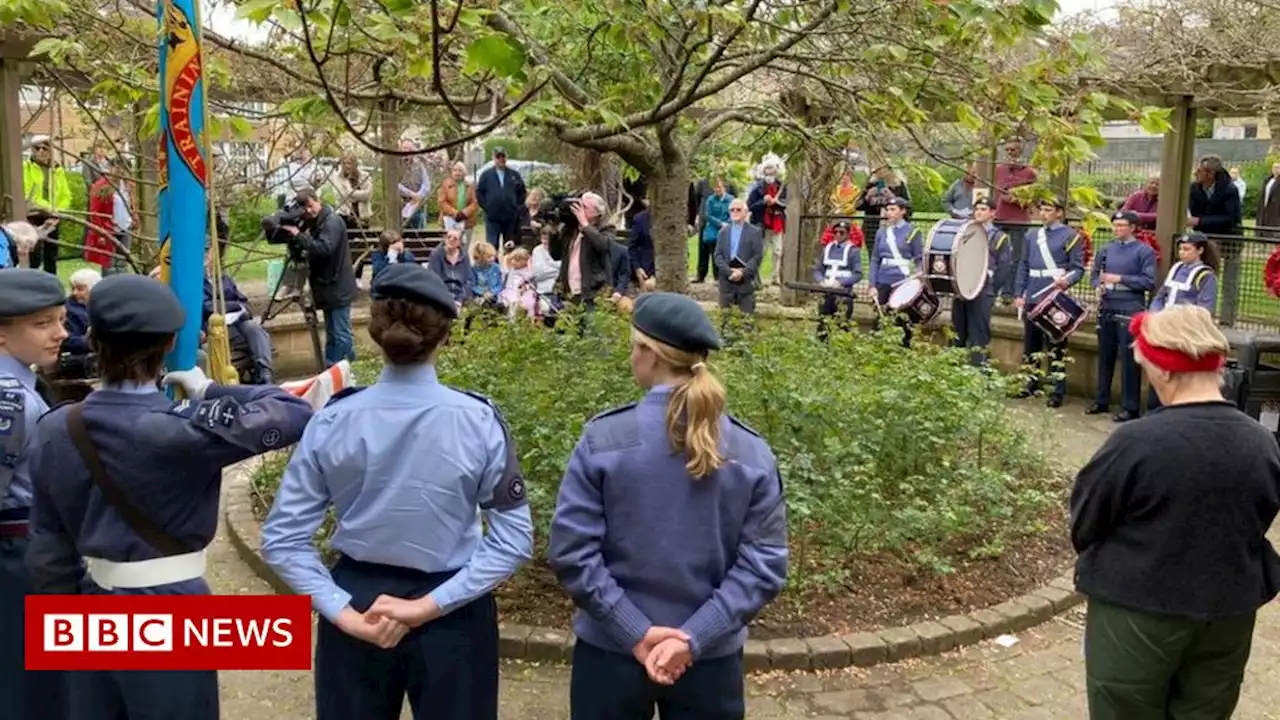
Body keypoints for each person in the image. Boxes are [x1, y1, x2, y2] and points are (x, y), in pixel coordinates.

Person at [23, 273, 312, 720]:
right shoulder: (185, 430)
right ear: (169, 343)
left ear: (94, 340)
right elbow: (293, 411)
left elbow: (48, 548)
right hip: (173, 608)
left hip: (88, 606)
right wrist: (210, 389)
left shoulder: (55, 428)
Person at [261, 263, 534, 720]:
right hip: (453, 610)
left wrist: (342, 613)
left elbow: (283, 540)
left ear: (375, 332)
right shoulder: (478, 422)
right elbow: (513, 540)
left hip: (357, 606)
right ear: (445, 336)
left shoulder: (331, 420)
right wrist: (428, 607)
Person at [549, 292, 787, 720]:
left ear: (648, 353)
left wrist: (634, 632)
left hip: (610, 655)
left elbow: (572, 552)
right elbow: (763, 564)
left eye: (632, 344)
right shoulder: (751, 452)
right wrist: (693, 638)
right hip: (709, 662)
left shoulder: (603, 439)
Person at [1070, 305, 1280, 720]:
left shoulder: (1134, 443)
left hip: (1138, 612)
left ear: (1164, 372)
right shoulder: (1262, 442)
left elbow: (1086, 525)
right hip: (1228, 611)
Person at [0, 268, 68, 720]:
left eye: (61, 320)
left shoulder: (21, 384)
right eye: (42, 324)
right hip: (17, 557)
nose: (60, 334)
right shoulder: (10, 399)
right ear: (3, 334)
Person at [1013, 198, 1085, 408]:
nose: (1043, 213)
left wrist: (1067, 280)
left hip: (1054, 294)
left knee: (1056, 344)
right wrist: (1019, 292)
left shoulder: (1071, 236)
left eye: (1048, 210)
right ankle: (1030, 384)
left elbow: (1078, 268)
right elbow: (1023, 265)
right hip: (1033, 293)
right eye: (1041, 209)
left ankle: (1056, 390)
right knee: (1031, 343)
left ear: (1059, 213)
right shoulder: (1031, 235)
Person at [1087, 211, 1156, 423]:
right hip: (1107, 304)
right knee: (1105, 355)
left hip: (1129, 307)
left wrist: (1120, 278)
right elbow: (1095, 275)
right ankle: (1101, 399)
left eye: (1122, 225)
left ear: (1133, 227)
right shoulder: (1107, 248)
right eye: (1115, 225)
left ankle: (1130, 405)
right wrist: (1098, 285)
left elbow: (1148, 281)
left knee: (1128, 360)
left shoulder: (1144, 251)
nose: (1117, 229)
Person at [1146, 232, 1220, 412]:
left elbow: (1205, 308)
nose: (1182, 253)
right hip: (1165, 328)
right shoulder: (1176, 269)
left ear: (1200, 250)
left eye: (1187, 249)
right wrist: (1154, 314)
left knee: (1178, 373)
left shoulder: (1205, 276)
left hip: (1183, 332)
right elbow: (1161, 295)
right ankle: (1154, 409)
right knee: (1159, 370)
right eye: (1180, 249)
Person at [284, 189, 358, 367]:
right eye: (306, 209)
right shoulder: (316, 222)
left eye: (311, 205)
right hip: (328, 287)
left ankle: (349, 370)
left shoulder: (331, 222)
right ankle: (332, 368)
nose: (310, 211)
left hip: (337, 286)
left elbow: (324, 248)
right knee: (332, 333)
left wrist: (298, 235)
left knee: (341, 333)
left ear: (318, 200)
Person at [202, 246, 275, 384]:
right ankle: (257, 370)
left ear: (213, 253)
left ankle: (264, 373)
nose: (204, 255)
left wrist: (238, 307)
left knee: (254, 329)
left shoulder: (223, 278)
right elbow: (208, 306)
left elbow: (244, 302)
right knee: (257, 338)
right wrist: (235, 305)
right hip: (214, 329)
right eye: (201, 251)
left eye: (207, 251)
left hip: (237, 323)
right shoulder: (193, 281)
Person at [951, 198, 1011, 366]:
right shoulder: (965, 233)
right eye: (977, 209)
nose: (978, 212)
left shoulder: (999, 237)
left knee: (979, 335)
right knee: (957, 332)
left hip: (983, 290)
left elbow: (1004, 268)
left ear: (993, 213)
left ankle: (978, 374)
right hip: (962, 289)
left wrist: (990, 288)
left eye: (983, 209)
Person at [867, 197, 922, 348]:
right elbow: (875, 259)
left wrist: (918, 280)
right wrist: (872, 284)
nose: (889, 213)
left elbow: (919, 259)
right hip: (883, 279)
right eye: (887, 209)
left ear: (903, 211)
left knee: (903, 320)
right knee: (880, 318)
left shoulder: (913, 231)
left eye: (893, 209)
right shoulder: (882, 232)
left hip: (903, 280)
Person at [549, 192, 616, 310]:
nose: (577, 210)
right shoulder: (570, 229)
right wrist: (554, 230)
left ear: (597, 212)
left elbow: (603, 245)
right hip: (568, 291)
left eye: (583, 207)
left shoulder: (606, 228)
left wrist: (585, 224)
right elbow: (556, 255)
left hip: (592, 292)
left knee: (590, 327)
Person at [22, 135, 72, 275]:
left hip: (53, 216)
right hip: (33, 215)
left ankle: (51, 284)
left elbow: (65, 194)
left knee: (51, 255)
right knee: (34, 255)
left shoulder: (57, 169)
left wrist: (58, 211)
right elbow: (27, 193)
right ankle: (32, 283)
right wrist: (48, 208)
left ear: (50, 150)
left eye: (45, 148)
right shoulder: (26, 167)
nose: (41, 151)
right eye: (37, 148)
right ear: (32, 150)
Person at [995, 140, 1038, 299]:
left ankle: (1009, 293)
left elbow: (1034, 196)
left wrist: (1018, 198)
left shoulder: (1029, 172)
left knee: (1016, 258)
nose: (1009, 153)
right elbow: (998, 191)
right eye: (1006, 150)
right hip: (1000, 218)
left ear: (1020, 151)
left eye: (1013, 150)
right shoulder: (999, 170)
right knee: (996, 255)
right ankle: (994, 290)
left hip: (1019, 220)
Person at [812, 220, 862, 342]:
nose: (838, 235)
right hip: (827, 292)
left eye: (842, 232)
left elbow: (858, 274)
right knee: (823, 324)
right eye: (836, 232)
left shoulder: (853, 251)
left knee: (842, 325)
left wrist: (841, 282)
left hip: (843, 294)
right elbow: (818, 269)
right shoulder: (827, 249)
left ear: (848, 234)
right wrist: (821, 281)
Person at [713, 198, 763, 316]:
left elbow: (757, 256)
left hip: (745, 282)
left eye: (738, 209)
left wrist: (743, 272)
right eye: (732, 210)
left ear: (745, 212)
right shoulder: (723, 232)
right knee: (725, 320)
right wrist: (729, 271)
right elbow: (718, 255)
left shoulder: (755, 232)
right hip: (727, 282)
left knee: (747, 321)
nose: (735, 212)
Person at [476, 148, 527, 251]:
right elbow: (479, 192)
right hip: (492, 217)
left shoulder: (514, 175)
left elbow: (522, 192)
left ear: (506, 158)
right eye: (498, 157)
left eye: (502, 157)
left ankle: (509, 266)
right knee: (492, 245)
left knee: (510, 246)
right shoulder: (486, 175)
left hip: (510, 217)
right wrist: (487, 207)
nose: (500, 159)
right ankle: (494, 266)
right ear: (493, 158)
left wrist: (516, 207)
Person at [747, 157, 787, 285]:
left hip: (777, 223)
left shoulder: (781, 186)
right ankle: (756, 278)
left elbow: (787, 202)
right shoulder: (757, 187)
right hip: (762, 224)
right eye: (767, 170)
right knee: (761, 251)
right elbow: (750, 205)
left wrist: (777, 202)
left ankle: (775, 277)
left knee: (778, 251)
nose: (769, 173)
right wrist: (763, 201)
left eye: (772, 170)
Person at [427, 227, 472, 312]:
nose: (451, 240)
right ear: (445, 239)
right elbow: (435, 280)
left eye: (455, 239)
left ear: (459, 242)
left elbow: (468, 281)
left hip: (460, 297)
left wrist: (459, 301)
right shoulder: (436, 254)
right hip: (441, 296)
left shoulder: (464, 256)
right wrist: (448, 300)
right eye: (449, 237)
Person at [697, 179, 733, 284]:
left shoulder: (730, 199)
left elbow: (734, 212)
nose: (717, 190)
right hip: (712, 228)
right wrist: (720, 223)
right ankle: (702, 275)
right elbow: (707, 214)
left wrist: (727, 223)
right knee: (711, 250)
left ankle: (719, 276)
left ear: (724, 188)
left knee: (722, 253)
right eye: (715, 188)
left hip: (726, 228)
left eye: (719, 188)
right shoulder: (710, 199)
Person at [439, 161, 479, 247]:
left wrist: (464, 213)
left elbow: (475, 202)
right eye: (455, 170)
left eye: (460, 170)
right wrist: (455, 213)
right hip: (449, 220)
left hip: (467, 221)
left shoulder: (470, 185)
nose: (457, 173)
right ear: (451, 172)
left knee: (464, 247)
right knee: (448, 246)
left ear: (464, 172)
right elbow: (442, 202)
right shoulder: (445, 184)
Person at [63, 268, 101, 357]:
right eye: (72, 288)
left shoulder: (104, 305)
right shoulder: (68, 310)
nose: (74, 293)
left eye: (80, 289)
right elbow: (68, 340)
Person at [331, 153, 373, 229]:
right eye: (344, 163)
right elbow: (341, 196)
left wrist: (350, 191)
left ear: (355, 164)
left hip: (363, 216)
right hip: (344, 215)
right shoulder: (337, 178)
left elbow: (368, 195)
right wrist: (359, 195)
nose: (346, 166)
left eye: (349, 163)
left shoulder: (364, 176)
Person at [398, 140, 431, 230]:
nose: (407, 151)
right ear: (400, 149)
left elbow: (426, 184)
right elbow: (395, 185)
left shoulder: (419, 165)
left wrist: (418, 196)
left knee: (419, 236)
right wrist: (411, 194)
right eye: (405, 148)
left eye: (410, 149)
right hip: (401, 206)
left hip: (417, 206)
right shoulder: (395, 165)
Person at [628, 204, 655, 290]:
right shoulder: (640, 219)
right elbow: (632, 247)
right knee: (649, 285)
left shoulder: (672, 219)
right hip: (646, 268)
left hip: (666, 267)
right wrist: (637, 268)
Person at [1258, 162, 1280, 235]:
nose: (1276, 170)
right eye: (1274, 168)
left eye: (1277, 168)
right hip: (1265, 203)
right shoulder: (1268, 180)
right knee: (1264, 219)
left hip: (1276, 205)